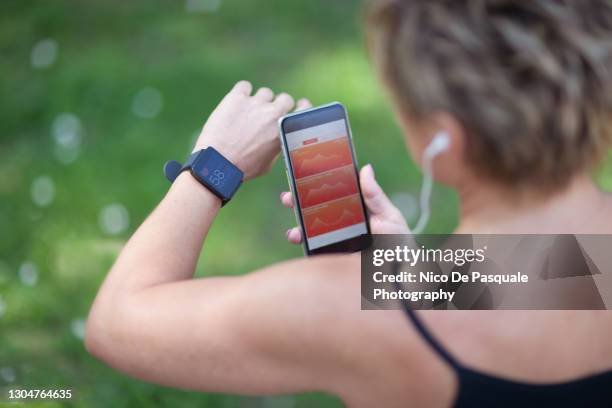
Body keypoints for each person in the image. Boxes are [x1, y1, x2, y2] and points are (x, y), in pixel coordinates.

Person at [86, 1, 612, 406]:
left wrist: (212, 166)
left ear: (444, 142)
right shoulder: (575, 261)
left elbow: (116, 321)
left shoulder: (348, 313)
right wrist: (421, 275)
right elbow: (561, 272)